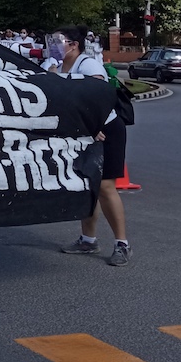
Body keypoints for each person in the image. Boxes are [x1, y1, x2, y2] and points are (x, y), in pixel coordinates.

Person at [50, 25, 132, 267]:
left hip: (105, 130)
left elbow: (100, 99)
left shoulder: (88, 65)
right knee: (87, 186)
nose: (53, 46)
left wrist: (94, 126)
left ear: (74, 44)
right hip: (82, 132)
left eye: (58, 41)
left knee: (106, 187)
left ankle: (122, 244)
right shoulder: (54, 65)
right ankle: (88, 240)